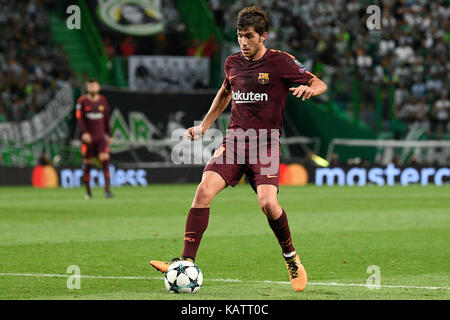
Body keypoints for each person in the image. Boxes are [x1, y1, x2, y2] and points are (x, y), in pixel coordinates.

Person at [150, 6, 327, 292]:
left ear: (263, 36)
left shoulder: (281, 62)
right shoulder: (232, 63)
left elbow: (318, 82)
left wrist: (311, 89)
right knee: (203, 190)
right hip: (233, 142)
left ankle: (291, 258)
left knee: (268, 204)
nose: (243, 42)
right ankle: (184, 261)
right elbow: (224, 93)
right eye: (239, 36)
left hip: (265, 145)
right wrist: (205, 126)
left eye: (248, 36)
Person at [76, 78, 114, 199]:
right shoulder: (82, 101)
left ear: (98, 87)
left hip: (101, 137)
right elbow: (79, 119)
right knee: (88, 163)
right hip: (89, 138)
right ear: (87, 88)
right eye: (90, 86)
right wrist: (84, 132)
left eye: (94, 86)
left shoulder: (103, 100)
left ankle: (107, 190)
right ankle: (88, 191)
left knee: (105, 159)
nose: (92, 88)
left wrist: (110, 134)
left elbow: (107, 119)